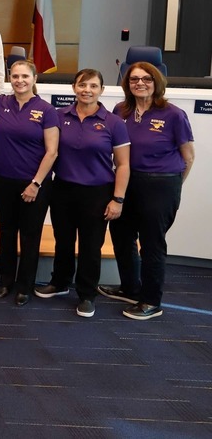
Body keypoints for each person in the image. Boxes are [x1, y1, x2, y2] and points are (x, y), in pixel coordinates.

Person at [99, 63, 194, 320]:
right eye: (134, 79)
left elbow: (188, 157)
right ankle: (130, 288)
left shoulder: (174, 114)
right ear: (127, 84)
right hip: (126, 183)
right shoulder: (121, 110)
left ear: (156, 82)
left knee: (152, 243)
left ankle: (151, 301)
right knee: (121, 235)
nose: (140, 83)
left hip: (160, 185)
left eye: (146, 79)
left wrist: (173, 186)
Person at [36, 69, 130, 319]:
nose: (87, 90)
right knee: (63, 240)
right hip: (63, 189)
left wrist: (118, 199)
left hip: (97, 193)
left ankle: (87, 294)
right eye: (82, 85)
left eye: (93, 86)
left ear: (102, 90)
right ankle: (60, 282)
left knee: (91, 245)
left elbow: (123, 164)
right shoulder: (58, 116)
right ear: (74, 87)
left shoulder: (114, 122)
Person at [0, 59, 59, 307]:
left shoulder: (46, 110)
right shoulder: (0, 103)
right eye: (15, 76)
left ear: (34, 79)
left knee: (30, 235)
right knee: (6, 231)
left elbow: (52, 152)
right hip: (1, 179)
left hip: (33, 184)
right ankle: (6, 281)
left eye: (25, 76)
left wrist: (35, 184)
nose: (20, 81)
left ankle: (24, 286)